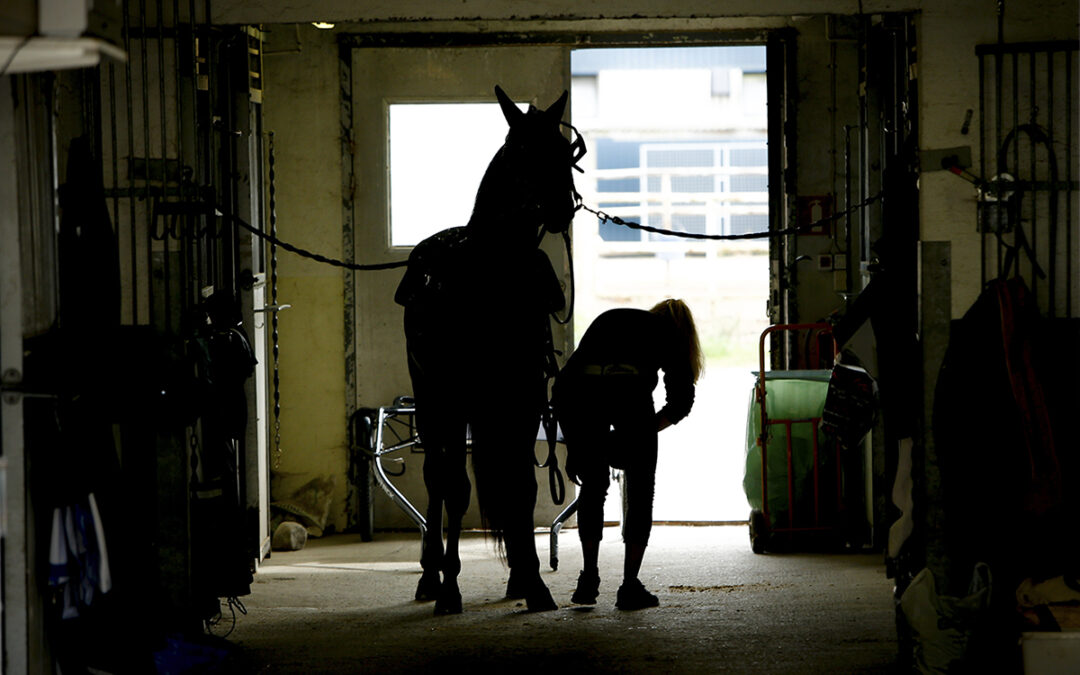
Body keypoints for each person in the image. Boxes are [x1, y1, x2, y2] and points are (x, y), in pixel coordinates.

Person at [552, 299, 704, 610]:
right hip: (631, 400)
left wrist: (576, 446)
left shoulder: (610, 318)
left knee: (593, 488)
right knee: (640, 491)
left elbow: (566, 384)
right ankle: (629, 585)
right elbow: (681, 402)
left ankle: (588, 577)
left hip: (583, 400)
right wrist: (645, 432)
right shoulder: (669, 334)